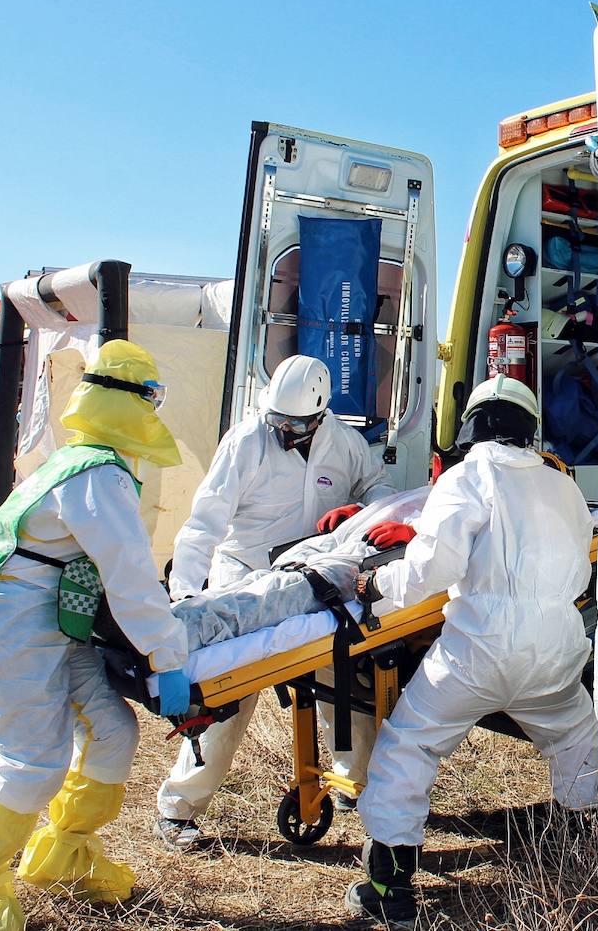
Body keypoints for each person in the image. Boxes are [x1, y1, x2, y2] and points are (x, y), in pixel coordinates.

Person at [0, 340, 190, 931]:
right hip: (16, 621)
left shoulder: (83, 461)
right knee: (33, 760)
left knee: (113, 731)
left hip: (48, 619)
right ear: (128, 403)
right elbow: (130, 577)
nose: (155, 410)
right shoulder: (96, 475)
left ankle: (62, 856)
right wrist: (167, 657)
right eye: (151, 398)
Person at [344, 374, 598, 925]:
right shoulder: (564, 486)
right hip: (557, 653)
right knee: (578, 739)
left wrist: (377, 586)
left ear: (475, 422)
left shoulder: (466, 477)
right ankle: (596, 855)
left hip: (477, 655)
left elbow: (432, 569)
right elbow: (581, 572)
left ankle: (388, 885)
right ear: (529, 429)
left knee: (410, 745)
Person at [156, 353, 396, 849]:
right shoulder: (246, 442)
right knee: (228, 693)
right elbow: (204, 523)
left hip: (306, 583)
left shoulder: (345, 444)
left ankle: (358, 781)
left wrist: (364, 508)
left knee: (342, 674)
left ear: (320, 414)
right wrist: (185, 594)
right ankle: (178, 807)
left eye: (296, 423)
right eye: (278, 420)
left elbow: (379, 487)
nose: (284, 430)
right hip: (244, 577)